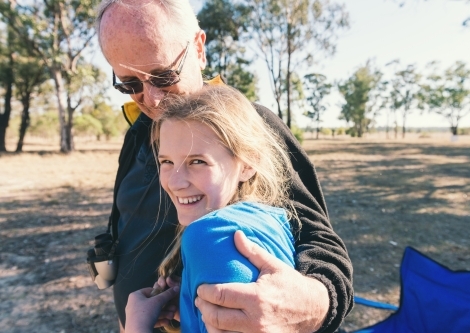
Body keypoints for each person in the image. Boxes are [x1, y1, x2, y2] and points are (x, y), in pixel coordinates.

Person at [95, 0, 353, 332]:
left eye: (163, 75)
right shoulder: (137, 134)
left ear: (199, 48)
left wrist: (314, 302)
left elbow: (319, 239)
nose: (153, 99)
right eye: (130, 84)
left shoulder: (250, 126)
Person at [125, 85, 299, 333]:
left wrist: (136, 326)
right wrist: (189, 307)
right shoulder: (273, 217)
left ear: (248, 163)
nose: (174, 182)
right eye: (166, 162)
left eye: (197, 161)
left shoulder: (210, 235)